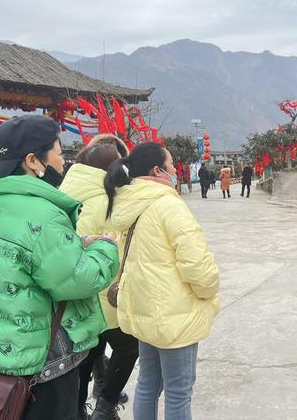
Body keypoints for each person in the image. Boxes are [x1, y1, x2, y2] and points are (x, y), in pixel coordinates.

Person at [0, 115, 120, 419]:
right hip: (45, 365)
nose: (62, 162)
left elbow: (13, 260)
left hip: (3, 350)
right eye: (58, 152)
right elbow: (77, 279)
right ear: (34, 160)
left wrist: (76, 243)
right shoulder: (45, 213)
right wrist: (106, 247)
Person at [103, 142, 219, 420]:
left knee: (148, 384)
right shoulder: (168, 205)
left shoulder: (129, 204)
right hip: (173, 315)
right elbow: (197, 266)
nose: (175, 170)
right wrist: (210, 290)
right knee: (179, 391)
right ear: (157, 170)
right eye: (171, 165)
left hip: (144, 312)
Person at [59, 135, 138, 420]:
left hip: (71, 290)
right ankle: (105, 407)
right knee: (129, 346)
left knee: (88, 353)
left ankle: (79, 409)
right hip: (100, 290)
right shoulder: (104, 199)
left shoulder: (68, 189)